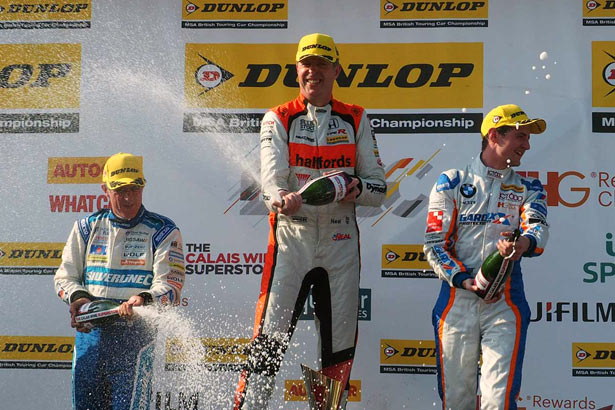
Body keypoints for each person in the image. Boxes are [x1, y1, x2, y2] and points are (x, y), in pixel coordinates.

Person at [233, 33, 386, 410]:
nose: (313, 71)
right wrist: (278, 199)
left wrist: (356, 187)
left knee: (338, 348)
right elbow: (271, 179)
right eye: (306, 64)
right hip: (291, 243)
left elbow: (379, 188)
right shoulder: (279, 117)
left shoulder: (356, 118)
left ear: (336, 70)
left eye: (321, 64)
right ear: (296, 69)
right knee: (269, 341)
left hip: (340, 247)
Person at [424, 104, 550, 410]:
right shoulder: (451, 182)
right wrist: (466, 282)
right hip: (457, 301)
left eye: (528, 137)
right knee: (457, 400)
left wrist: (521, 244)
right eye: (521, 136)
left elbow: (538, 229)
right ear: (494, 135)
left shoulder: (528, 187)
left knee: (498, 400)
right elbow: (434, 245)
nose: (527, 144)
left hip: (504, 303)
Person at [54, 152, 185, 410]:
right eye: (120, 190)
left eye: (135, 189)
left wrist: (144, 299)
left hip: (134, 337)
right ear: (105, 189)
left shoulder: (163, 230)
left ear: (143, 187)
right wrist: (78, 299)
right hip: (90, 336)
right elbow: (64, 277)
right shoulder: (86, 227)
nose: (128, 198)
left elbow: (172, 286)